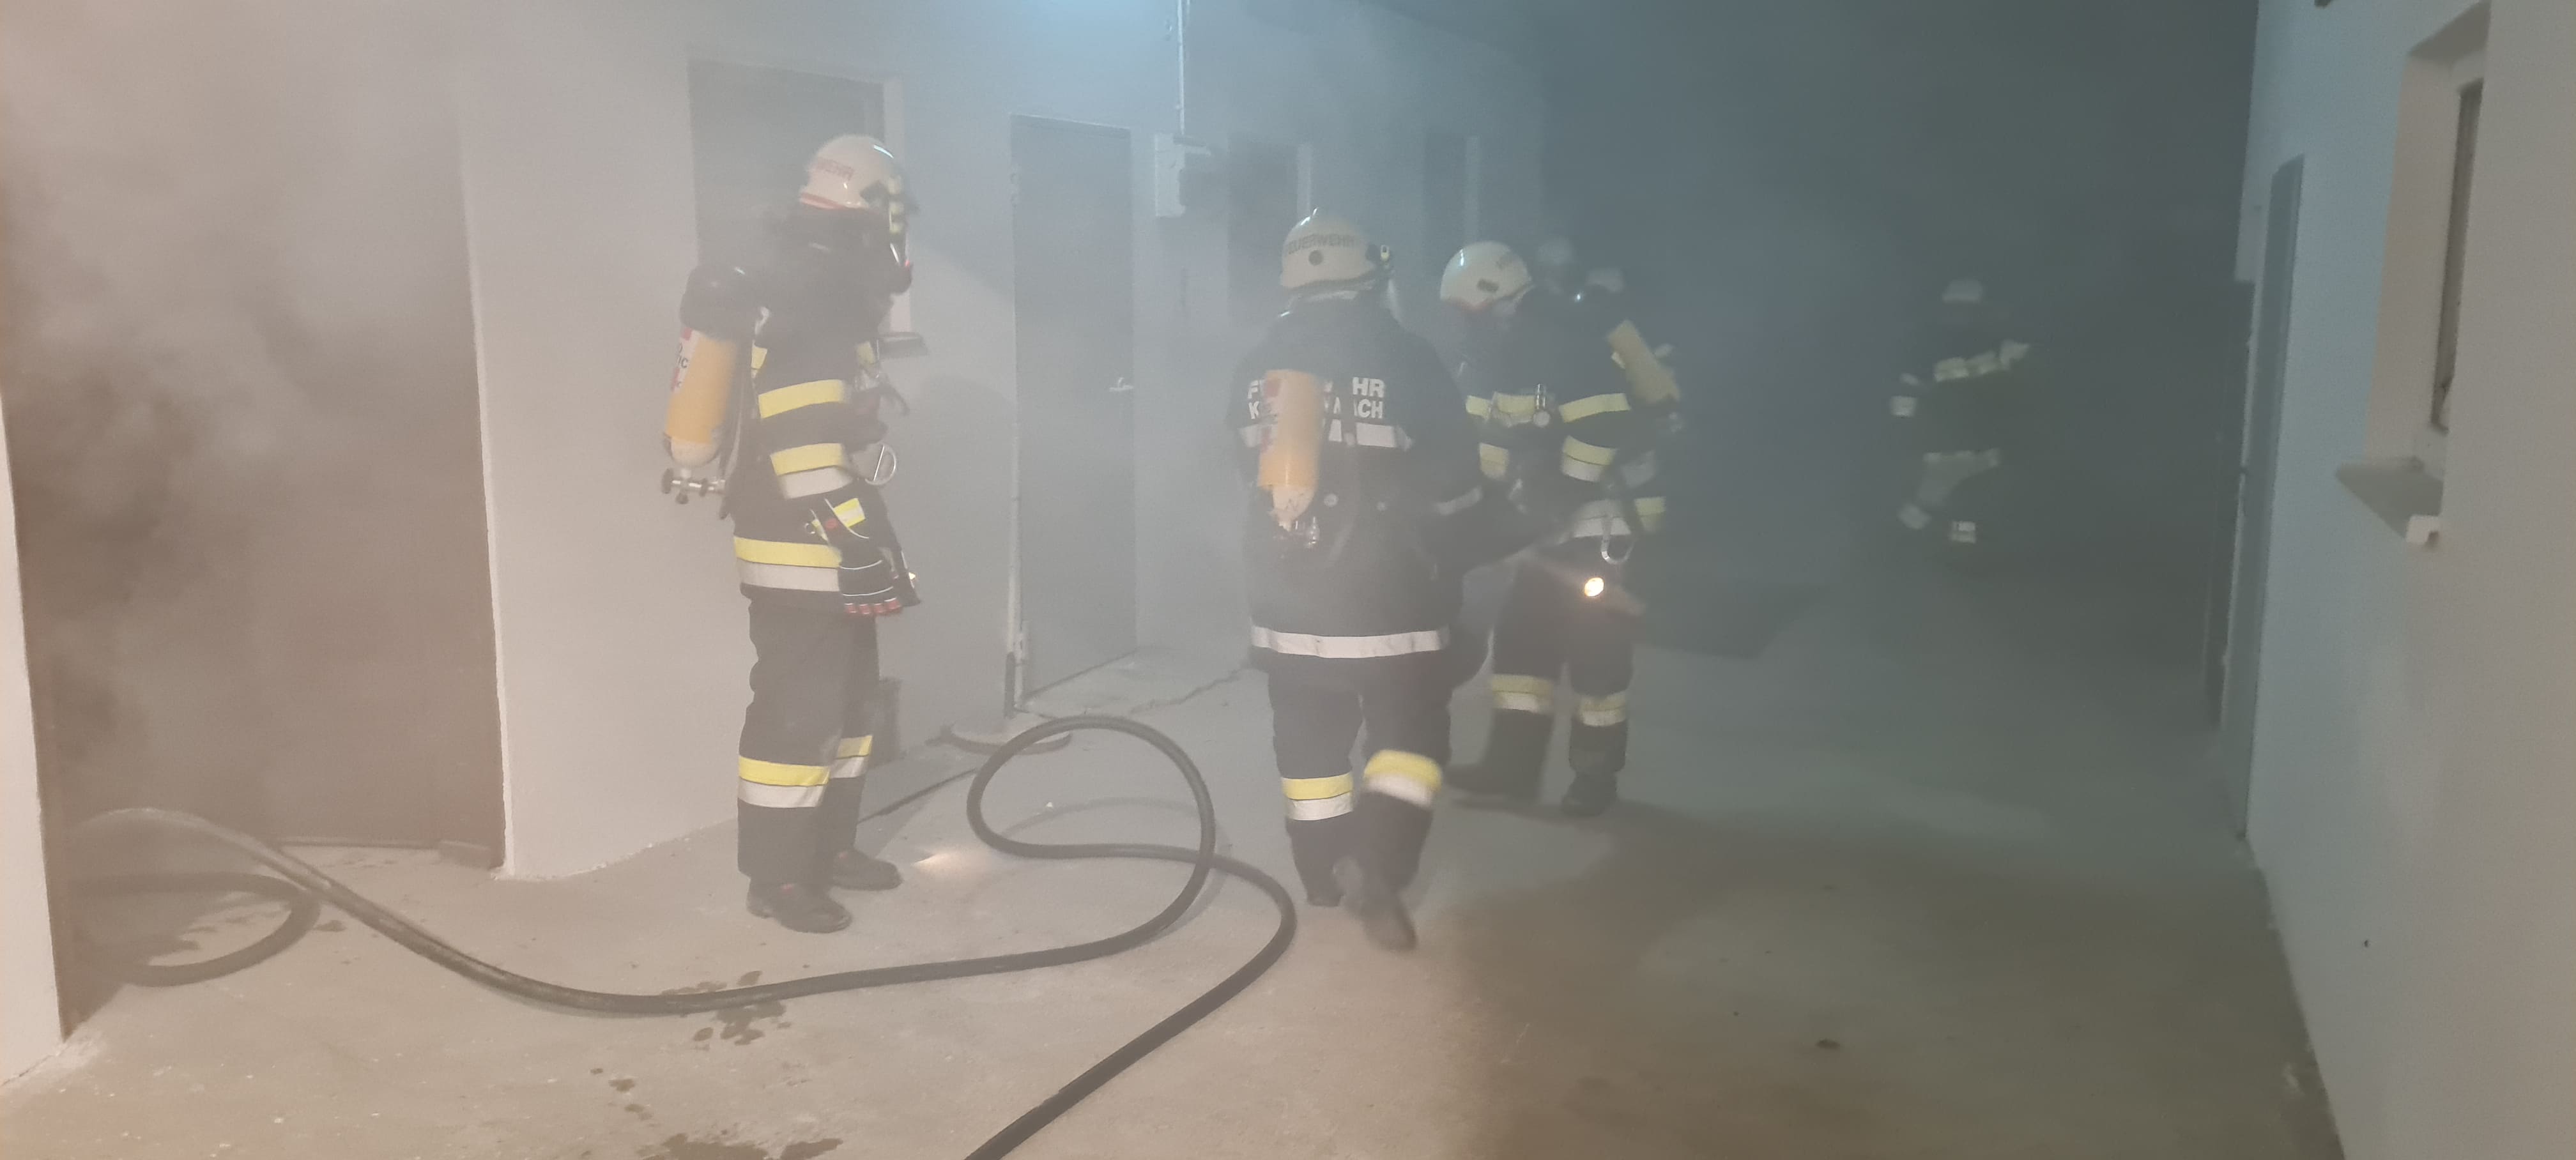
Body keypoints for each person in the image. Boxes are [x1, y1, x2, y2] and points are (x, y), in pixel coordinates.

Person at [668, 135, 920, 933]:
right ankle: (778, 879)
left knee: (850, 706)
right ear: (876, 209)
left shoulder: (815, 278)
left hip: (818, 531)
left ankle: (828, 850)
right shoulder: (820, 292)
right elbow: (804, 444)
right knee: (798, 714)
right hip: (802, 540)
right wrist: (859, 543)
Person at [1230, 213, 1484, 951]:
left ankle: (1320, 873)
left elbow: (1242, 463)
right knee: (1409, 735)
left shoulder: (1259, 362)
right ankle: (1379, 864)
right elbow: (1456, 477)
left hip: (1285, 597)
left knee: (1308, 741)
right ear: (1371, 277)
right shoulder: (1406, 357)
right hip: (1391, 599)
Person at [1439, 241, 1675, 818]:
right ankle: (1511, 770)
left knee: (1598, 658)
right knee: (1522, 643)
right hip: (1548, 529)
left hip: (1603, 525)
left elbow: (1604, 426)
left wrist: (1561, 492)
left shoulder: (1564, 341)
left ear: (1494, 300)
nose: (1465, 324)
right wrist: (1481, 509)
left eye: (1468, 311)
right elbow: (1491, 441)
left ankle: (1594, 778)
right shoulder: (1502, 354)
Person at [1887, 277, 2037, 563]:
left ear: (1982, 312)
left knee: (1971, 508)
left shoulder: (2001, 345)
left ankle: (1964, 555)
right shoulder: (1925, 349)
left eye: (1969, 310)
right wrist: (1904, 432)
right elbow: (1906, 394)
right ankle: (1900, 547)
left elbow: (2030, 364)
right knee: (1922, 507)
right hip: (1942, 449)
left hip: (1988, 448)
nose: (1961, 316)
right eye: (1955, 309)